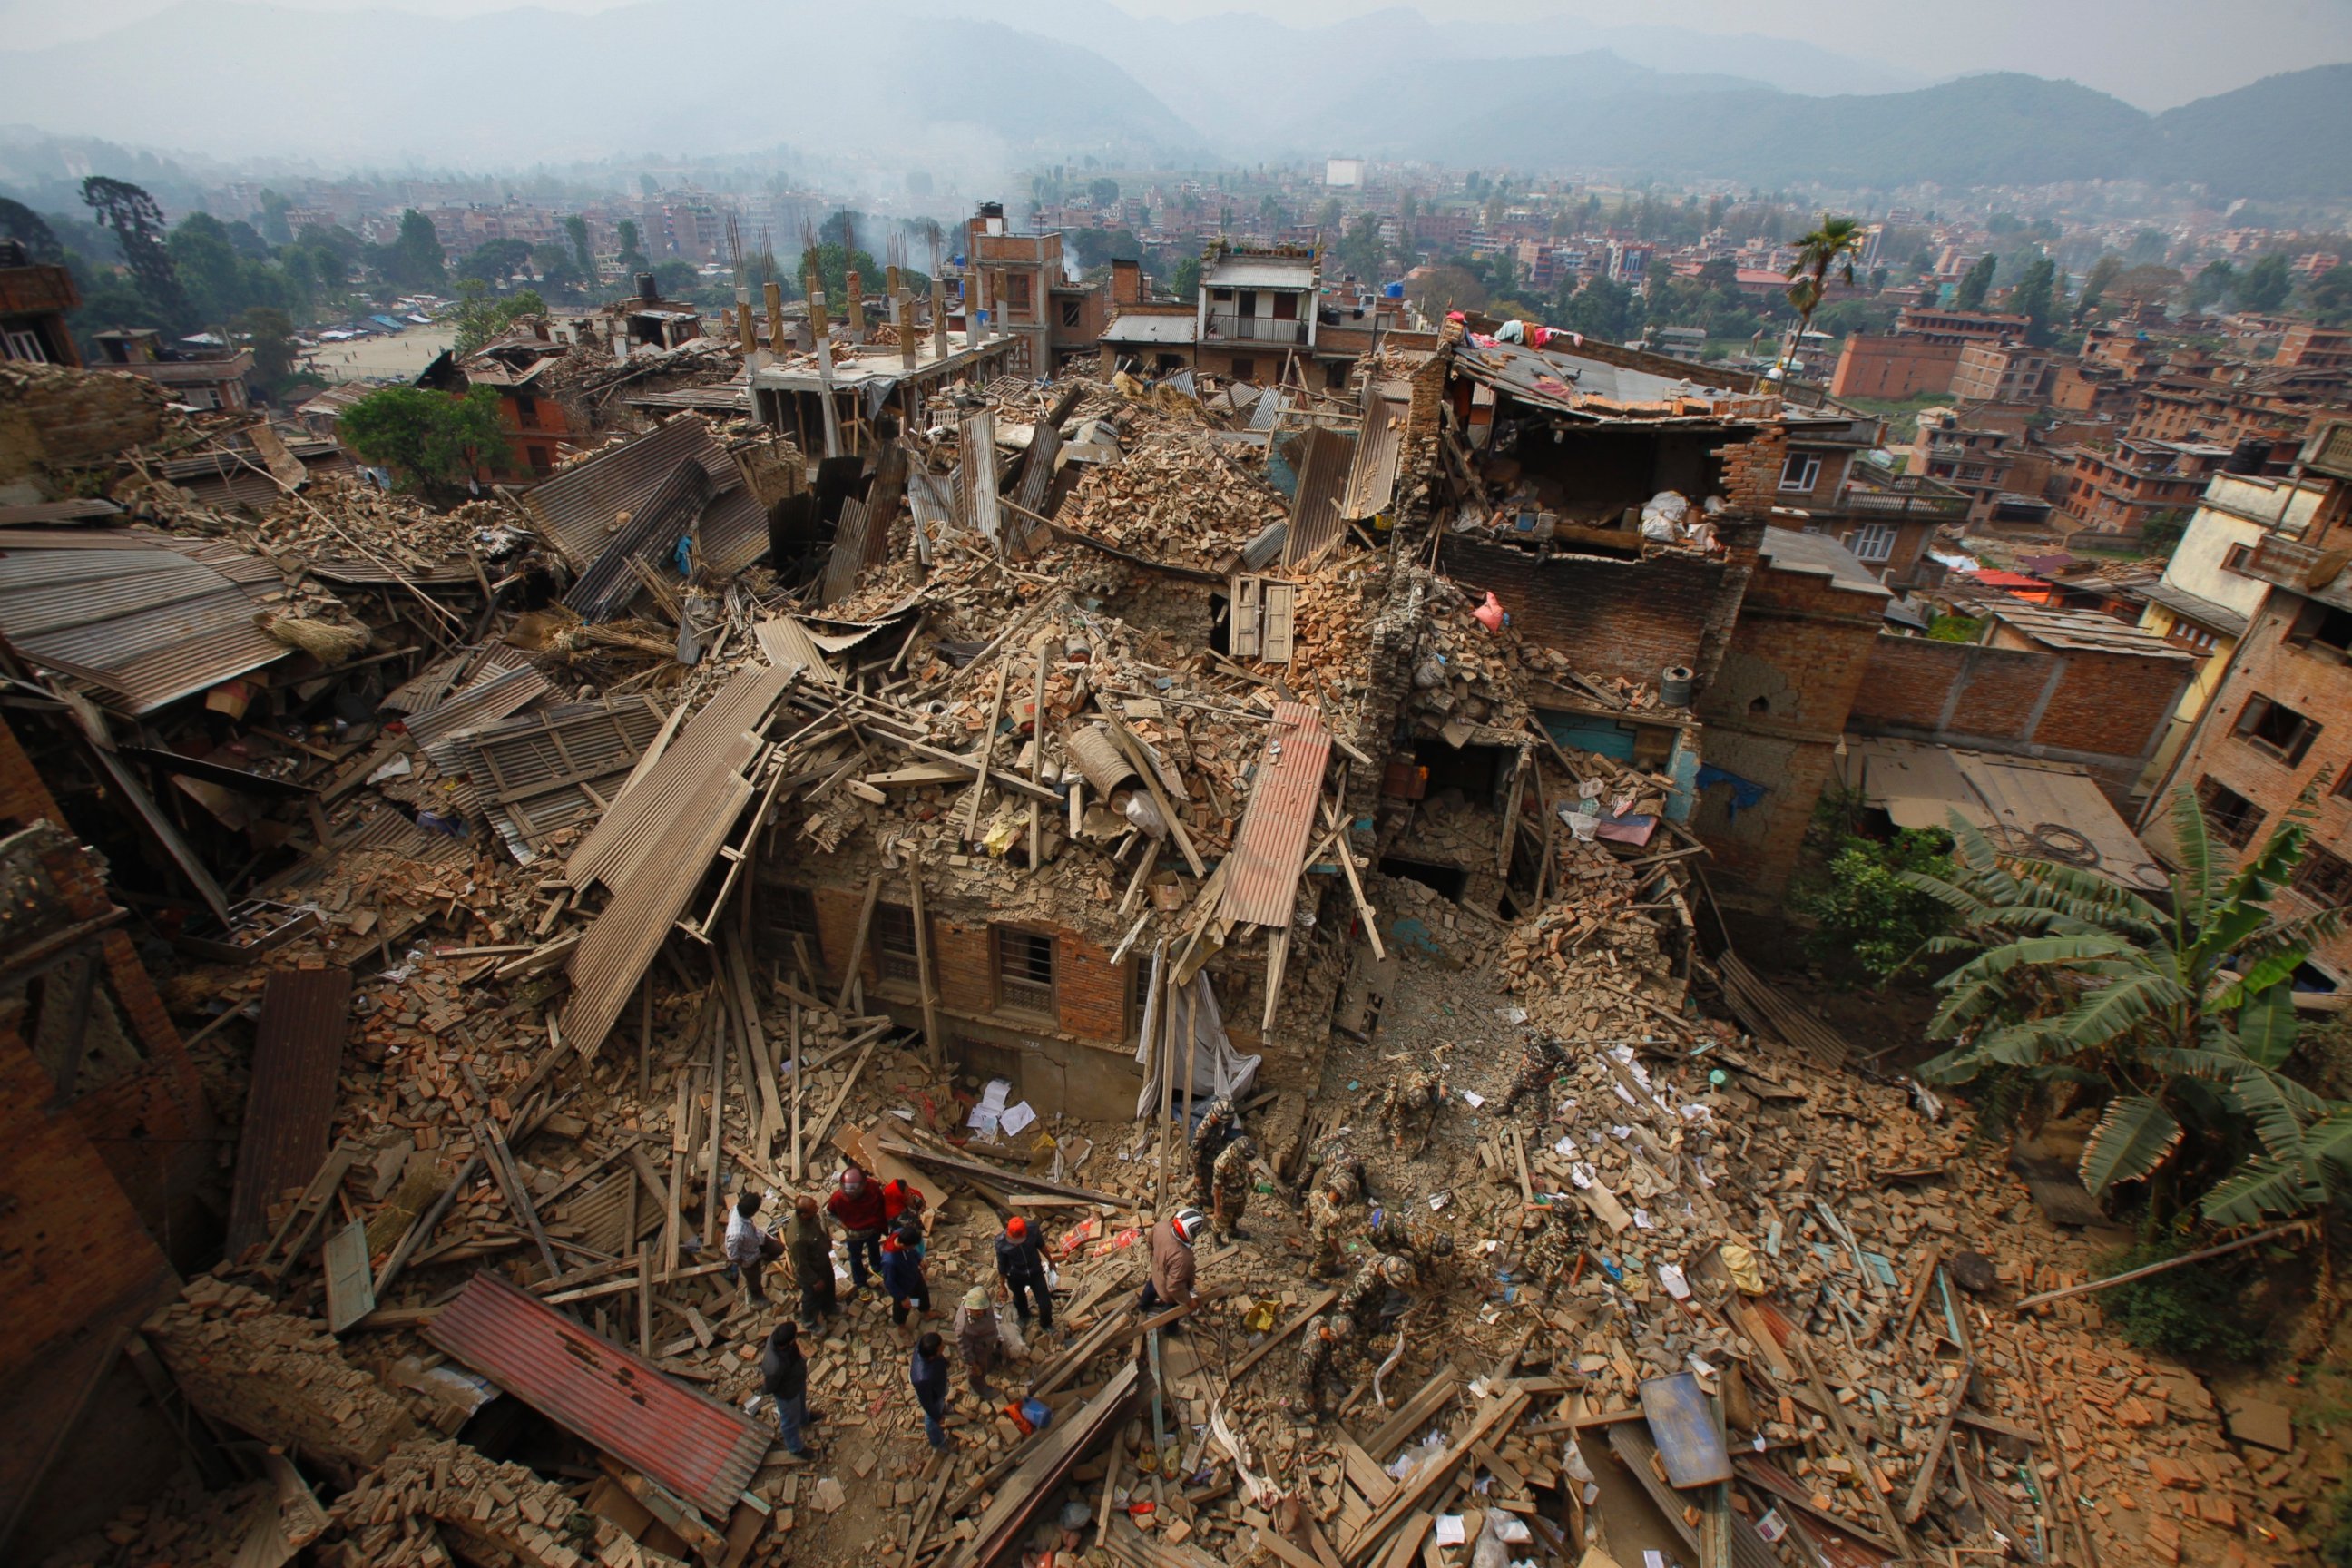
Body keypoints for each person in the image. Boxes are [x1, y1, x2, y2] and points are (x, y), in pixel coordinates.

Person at [1140, 1207, 1207, 1331]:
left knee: (1150, 1289)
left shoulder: (1162, 1226)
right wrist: (1188, 1301)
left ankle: (1143, 1306)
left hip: (1156, 1274)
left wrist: (1157, 1260)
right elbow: (1175, 1287)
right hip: (1168, 1292)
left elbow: (1149, 1243)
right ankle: (1170, 1330)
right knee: (1172, 1311)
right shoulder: (1183, 1257)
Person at [825, 1162, 888, 1294]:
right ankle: (860, 1283)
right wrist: (845, 1227)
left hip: (872, 1229)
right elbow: (829, 1213)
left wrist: (882, 1224)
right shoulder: (838, 1198)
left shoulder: (872, 1187)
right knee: (855, 1258)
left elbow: (881, 1204)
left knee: (874, 1248)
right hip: (854, 1235)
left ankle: (876, 1267)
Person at [760, 1322, 817, 1459]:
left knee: (801, 1404)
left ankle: (804, 1419)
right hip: (787, 1394)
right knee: (789, 1422)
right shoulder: (775, 1365)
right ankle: (795, 1447)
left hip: (796, 1381)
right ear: (789, 1341)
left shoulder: (777, 1339)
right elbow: (769, 1386)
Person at [995, 1215, 1054, 1334]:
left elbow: (1041, 1246)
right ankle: (1024, 1316)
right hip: (1015, 1276)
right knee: (1019, 1299)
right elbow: (1002, 1265)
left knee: (1045, 1303)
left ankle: (1046, 1323)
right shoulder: (1000, 1242)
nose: (1016, 1244)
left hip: (1035, 1272)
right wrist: (1002, 1286)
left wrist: (1050, 1261)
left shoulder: (1033, 1229)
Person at [786, 1195, 838, 1330]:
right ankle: (809, 1321)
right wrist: (814, 1280)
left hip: (822, 1261)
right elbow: (801, 1264)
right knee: (811, 1298)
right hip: (812, 1271)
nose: (817, 1209)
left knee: (829, 1285)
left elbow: (818, 1232)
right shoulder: (798, 1238)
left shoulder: (809, 1218)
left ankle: (829, 1307)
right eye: (814, 1208)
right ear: (803, 1214)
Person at [723, 1191, 785, 1302]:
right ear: (752, 1212)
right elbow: (732, 1255)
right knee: (754, 1280)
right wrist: (745, 1263)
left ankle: (764, 1258)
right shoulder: (736, 1233)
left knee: (779, 1248)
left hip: (757, 1238)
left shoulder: (739, 1208)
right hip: (749, 1258)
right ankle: (757, 1297)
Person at [952, 1284, 1002, 1397]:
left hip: (987, 1341)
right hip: (978, 1350)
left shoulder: (982, 1296)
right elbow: (965, 1350)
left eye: (983, 1310)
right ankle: (978, 1387)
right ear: (969, 1308)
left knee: (987, 1358)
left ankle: (989, 1362)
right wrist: (974, 1365)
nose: (982, 1313)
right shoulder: (963, 1326)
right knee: (978, 1371)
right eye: (978, 1311)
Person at [879, 1220, 931, 1328]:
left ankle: (926, 1312)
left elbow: (912, 1252)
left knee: (923, 1294)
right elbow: (889, 1282)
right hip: (903, 1286)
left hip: (915, 1277)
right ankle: (901, 1326)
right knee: (902, 1308)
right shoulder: (889, 1261)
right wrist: (902, 1298)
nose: (913, 1248)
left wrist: (918, 1259)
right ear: (903, 1245)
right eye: (912, 1246)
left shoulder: (901, 1233)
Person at [1189, 1097, 1240, 1204]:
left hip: (1215, 1151)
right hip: (1205, 1161)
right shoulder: (1202, 1133)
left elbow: (1229, 1122)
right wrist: (1197, 1174)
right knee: (1204, 1185)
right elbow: (1194, 1155)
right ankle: (1203, 1203)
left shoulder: (1221, 1112)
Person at [1210, 1135, 1259, 1244]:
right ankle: (1217, 1240)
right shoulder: (1223, 1163)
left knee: (1237, 1213)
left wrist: (1251, 1178)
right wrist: (1217, 1209)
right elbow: (1217, 1187)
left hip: (1241, 1191)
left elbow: (1246, 1164)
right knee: (1221, 1220)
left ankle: (1232, 1230)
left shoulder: (1241, 1153)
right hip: (1227, 1196)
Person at [910, 1331, 953, 1450]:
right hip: (931, 1395)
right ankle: (938, 1442)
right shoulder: (922, 1378)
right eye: (941, 1347)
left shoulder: (923, 1344)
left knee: (942, 1397)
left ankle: (942, 1407)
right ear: (932, 1356)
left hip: (938, 1384)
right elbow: (927, 1403)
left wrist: (945, 1362)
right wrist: (937, 1417)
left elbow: (939, 1357)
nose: (944, 1346)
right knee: (931, 1420)